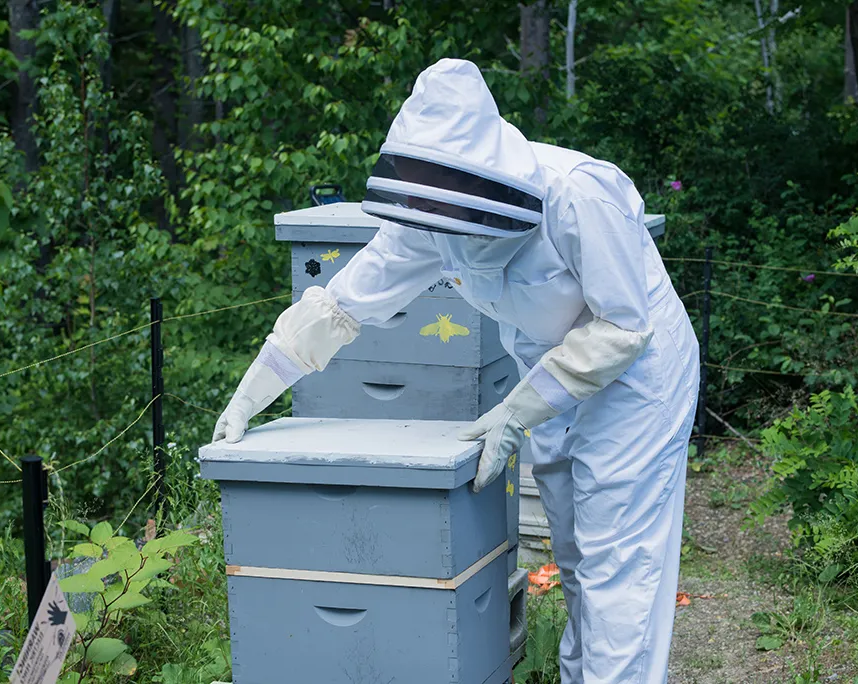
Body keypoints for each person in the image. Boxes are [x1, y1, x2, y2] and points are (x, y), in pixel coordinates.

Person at [212, 58, 699, 684]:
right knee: (578, 556)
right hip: (547, 376)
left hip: (637, 381)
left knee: (619, 567)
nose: (424, 193)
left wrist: (514, 411)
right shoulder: (430, 215)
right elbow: (340, 303)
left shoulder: (578, 193)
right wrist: (255, 389)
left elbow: (624, 328)